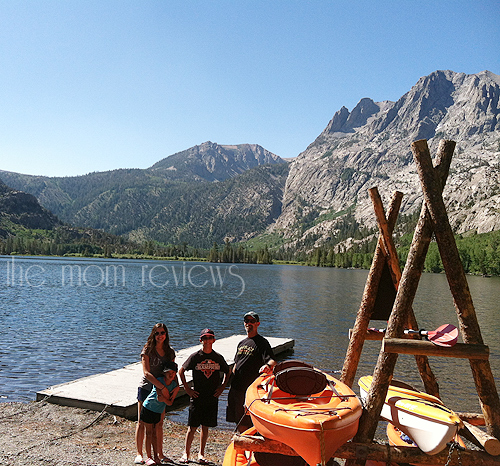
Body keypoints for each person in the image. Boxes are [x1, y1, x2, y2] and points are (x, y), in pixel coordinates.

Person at [178, 329, 230, 464]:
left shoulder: (218, 357)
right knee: (192, 427)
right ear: (201, 340)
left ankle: (201, 454)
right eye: (204, 338)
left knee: (205, 426)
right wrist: (188, 389)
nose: (207, 340)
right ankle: (186, 453)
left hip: (212, 396)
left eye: (210, 338)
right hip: (197, 396)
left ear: (214, 340)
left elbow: (227, 371)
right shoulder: (195, 356)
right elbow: (181, 371)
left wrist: (222, 387)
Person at [226, 312, 276, 432]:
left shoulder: (262, 342)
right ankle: (241, 441)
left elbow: (272, 361)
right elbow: (236, 364)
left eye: (252, 321)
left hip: (248, 389)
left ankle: (246, 444)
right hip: (235, 387)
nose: (249, 323)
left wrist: (267, 367)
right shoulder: (242, 343)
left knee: (246, 420)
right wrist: (227, 383)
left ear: (257, 324)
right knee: (236, 418)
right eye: (246, 321)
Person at [135, 323, 176, 465]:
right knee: (141, 422)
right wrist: (161, 387)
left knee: (159, 423)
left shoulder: (170, 352)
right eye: (157, 333)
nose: (160, 336)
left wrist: (172, 389)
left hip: (162, 391)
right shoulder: (148, 349)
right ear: (153, 335)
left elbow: (172, 372)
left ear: (166, 334)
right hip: (147, 388)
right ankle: (140, 454)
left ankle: (160, 453)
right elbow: (146, 373)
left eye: (162, 332)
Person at [140, 362, 180, 466]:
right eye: (168, 373)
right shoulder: (159, 381)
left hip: (158, 411)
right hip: (148, 408)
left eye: (173, 372)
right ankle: (149, 457)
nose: (171, 375)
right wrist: (165, 398)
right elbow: (159, 396)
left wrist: (165, 399)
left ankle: (156, 456)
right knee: (149, 433)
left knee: (155, 434)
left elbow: (170, 402)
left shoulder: (175, 386)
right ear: (164, 373)